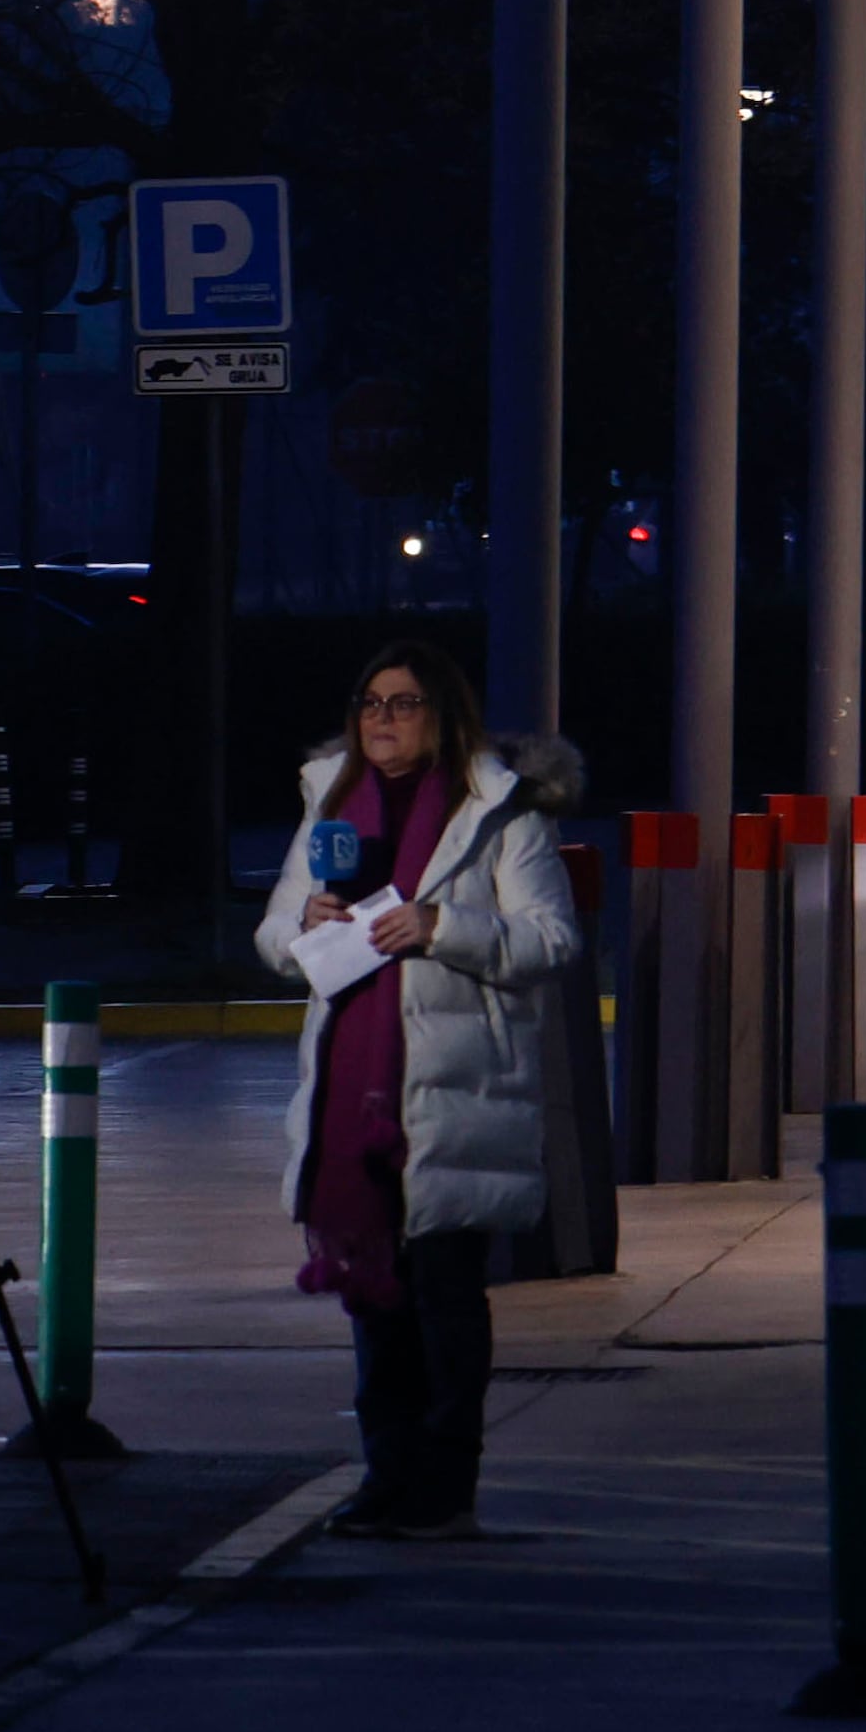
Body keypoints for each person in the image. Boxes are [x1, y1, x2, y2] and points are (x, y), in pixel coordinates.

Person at [255, 641, 583, 1540]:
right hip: (350, 1087)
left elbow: (552, 940)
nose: (382, 719)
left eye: (403, 703)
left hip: (453, 1094)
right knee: (374, 1297)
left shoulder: (501, 812)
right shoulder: (329, 801)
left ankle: (444, 1484)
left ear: (443, 714)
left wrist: (443, 925)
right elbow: (274, 931)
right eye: (370, 702)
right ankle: (386, 1475)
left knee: (443, 1295)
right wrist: (303, 923)